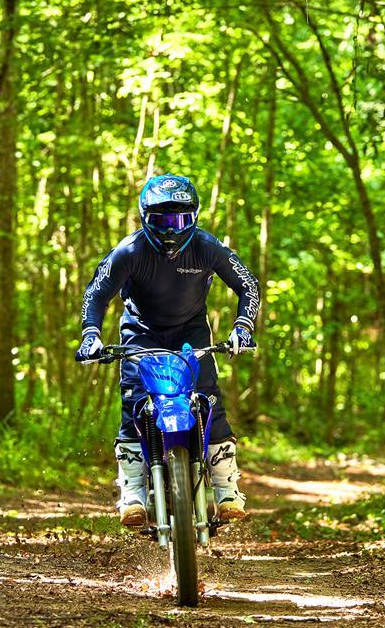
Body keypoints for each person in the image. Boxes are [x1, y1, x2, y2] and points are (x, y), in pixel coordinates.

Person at [76, 173, 260, 528]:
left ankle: (226, 489)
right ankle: (132, 492)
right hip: (140, 334)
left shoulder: (207, 247)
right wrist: (90, 336)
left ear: (195, 217)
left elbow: (247, 284)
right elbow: (96, 293)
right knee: (134, 404)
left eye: (180, 220)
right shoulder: (129, 251)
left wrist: (242, 327)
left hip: (191, 334)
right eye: (162, 221)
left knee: (208, 401)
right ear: (145, 217)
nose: (171, 230)